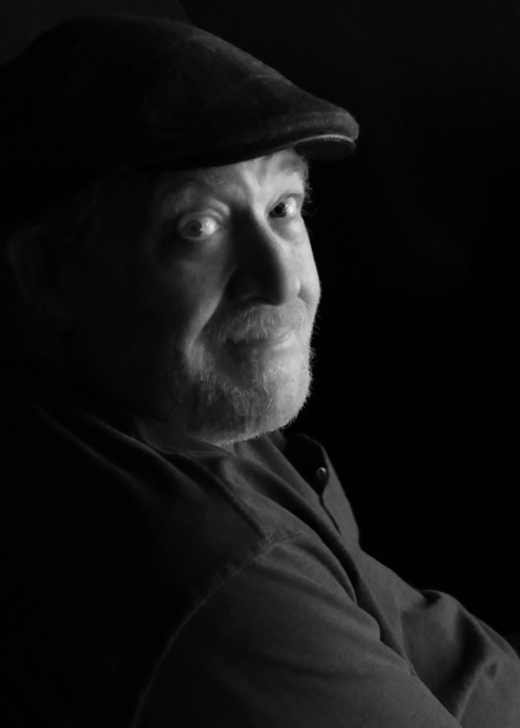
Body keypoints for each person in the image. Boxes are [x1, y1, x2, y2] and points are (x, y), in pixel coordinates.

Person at [1, 14, 519, 728]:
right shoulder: (217, 580)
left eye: (284, 207)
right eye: (198, 227)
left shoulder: (173, 399)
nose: (281, 281)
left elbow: (439, 653)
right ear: (48, 275)